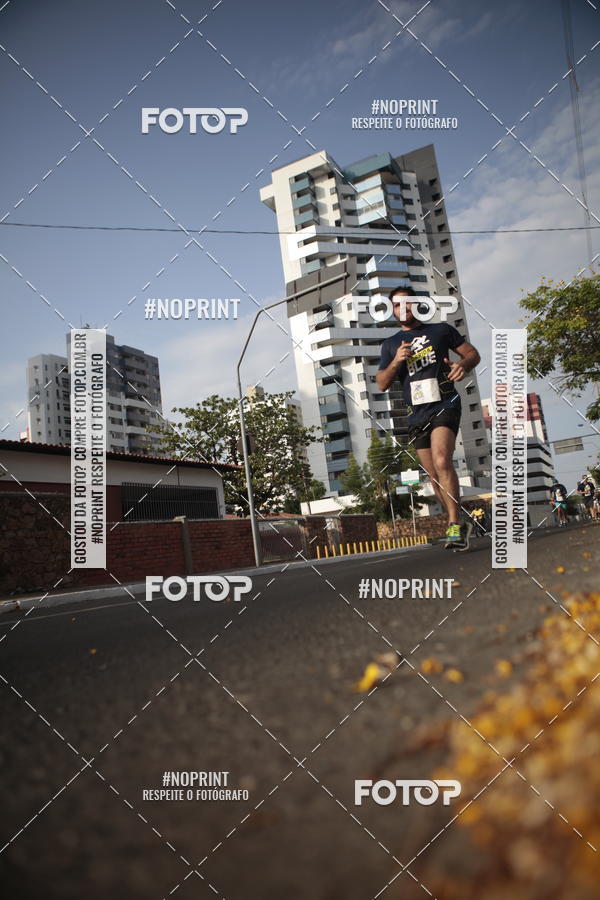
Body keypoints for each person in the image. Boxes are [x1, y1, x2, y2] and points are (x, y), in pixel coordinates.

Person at [376, 285, 481, 551]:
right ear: (392, 311)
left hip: (445, 403)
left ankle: (454, 525)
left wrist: (462, 365)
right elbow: (382, 383)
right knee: (433, 476)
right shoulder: (390, 345)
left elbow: (472, 354)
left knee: (442, 459)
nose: (403, 308)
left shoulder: (441, 330)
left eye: (407, 303)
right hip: (416, 414)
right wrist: (396, 361)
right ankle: (456, 522)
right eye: (397, 305)